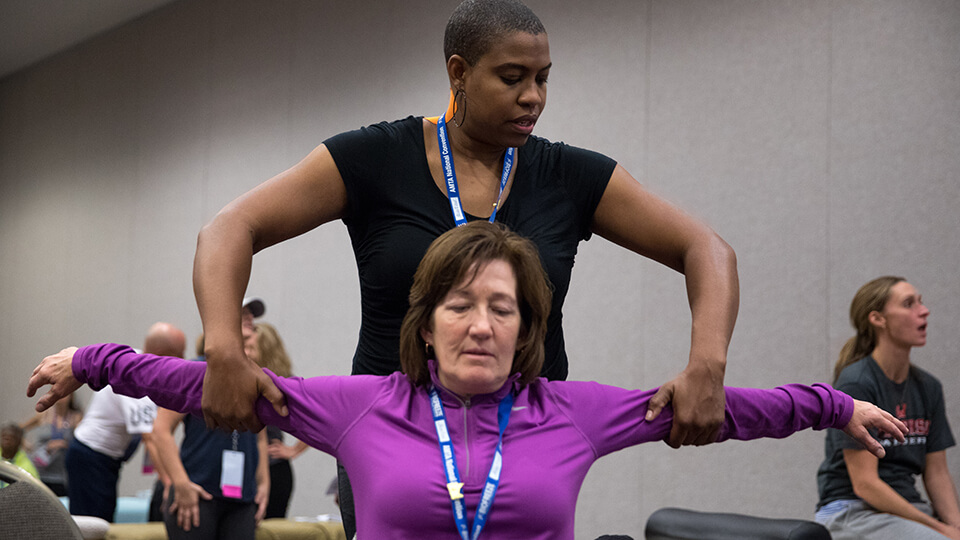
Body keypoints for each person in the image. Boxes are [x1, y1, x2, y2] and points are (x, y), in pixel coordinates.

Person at [193, 2, 737, 534]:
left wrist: (706, 365)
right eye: (512, 77)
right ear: (459, 71)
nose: (533, 97)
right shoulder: (377, 158)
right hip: (393, 432)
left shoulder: (567, 175)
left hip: (522, 437)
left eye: (543, 79)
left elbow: (706, 249)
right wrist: (222, 350)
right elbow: (229, 228)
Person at [30, 222, 906, 539]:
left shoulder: (576, 413)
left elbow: (726, 412)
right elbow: (201, 379)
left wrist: (835, 403)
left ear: (528, 328)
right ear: (426, 322)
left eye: (502, 307)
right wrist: (91, 360)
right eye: (459, 304)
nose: (481, 323)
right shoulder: (363, 404)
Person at [815, 277, 960, 540]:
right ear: (877, 319)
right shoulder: (856, 382)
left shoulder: (929, 387)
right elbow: (865, 485)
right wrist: (940, 529)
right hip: (851, 510)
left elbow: (937, 473)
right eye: (908, 304)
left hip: (907, 510)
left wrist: (956, 527)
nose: (924, 310)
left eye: (921, 302)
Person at [144, 313, 269, 540]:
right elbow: (160, 431)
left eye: (252, 315)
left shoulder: (256, 376)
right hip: (196, 494)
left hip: (242, 500)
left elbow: (260, 435)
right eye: (242, 313)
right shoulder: (197, 371)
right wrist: (179, 483)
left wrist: (264, 483)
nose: (249, 318)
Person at [64, 322, 185, 521]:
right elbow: (152, 437)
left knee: (103, 517)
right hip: (91, 457)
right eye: (179, 354)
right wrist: (170, 484)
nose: (182, 361)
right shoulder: (134, 375)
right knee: (94, 523)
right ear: (163, 354)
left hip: (105, 459)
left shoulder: (137, 363)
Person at [248, 322, 309, 519]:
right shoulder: (246, 380)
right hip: (250, 465)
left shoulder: (286, 385)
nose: (245, 352)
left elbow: (312, 420)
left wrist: (293, 450)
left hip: (274, 469)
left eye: (250, 347)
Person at [20, 392, 82, 496]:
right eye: (57, 394)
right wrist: (30, 448)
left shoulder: (75, 417)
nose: (61, 397)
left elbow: (81, 441)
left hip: (62, 474)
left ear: (71, 397)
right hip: (41, 470)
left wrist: (65, 445)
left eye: (65, 394)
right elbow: (19, 429)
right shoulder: (44, 415)